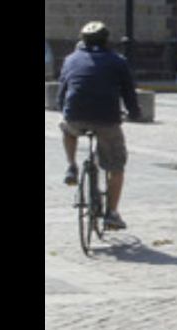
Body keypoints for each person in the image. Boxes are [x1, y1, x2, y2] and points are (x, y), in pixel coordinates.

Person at [58, 21, 141, 230]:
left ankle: (71, 166)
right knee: (116, 166)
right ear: (107, 41)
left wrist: (65, 110)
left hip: (75, 116)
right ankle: (112, 214)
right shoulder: (118, 61)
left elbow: (62, 93)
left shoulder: (70, 60)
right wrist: (135, 114)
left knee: (67, 129)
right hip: (107, 119)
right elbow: (129, 94)